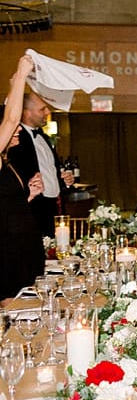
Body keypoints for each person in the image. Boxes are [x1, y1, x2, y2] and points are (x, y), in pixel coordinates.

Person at [0, 56, 45, 301]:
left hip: (22, 250)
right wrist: (20, 76)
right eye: (11, 128)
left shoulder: (7, 164)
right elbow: (10, 119)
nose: (17, 129)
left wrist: (27, 196)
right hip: (7, 255)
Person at [8, 88, 74, 236]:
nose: (47, 112)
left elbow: (48, 170)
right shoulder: (13, 140)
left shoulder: (44, 137)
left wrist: (63, 181)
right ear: (27, 112)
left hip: (53, 207)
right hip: (32, 209)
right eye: (42, 109)